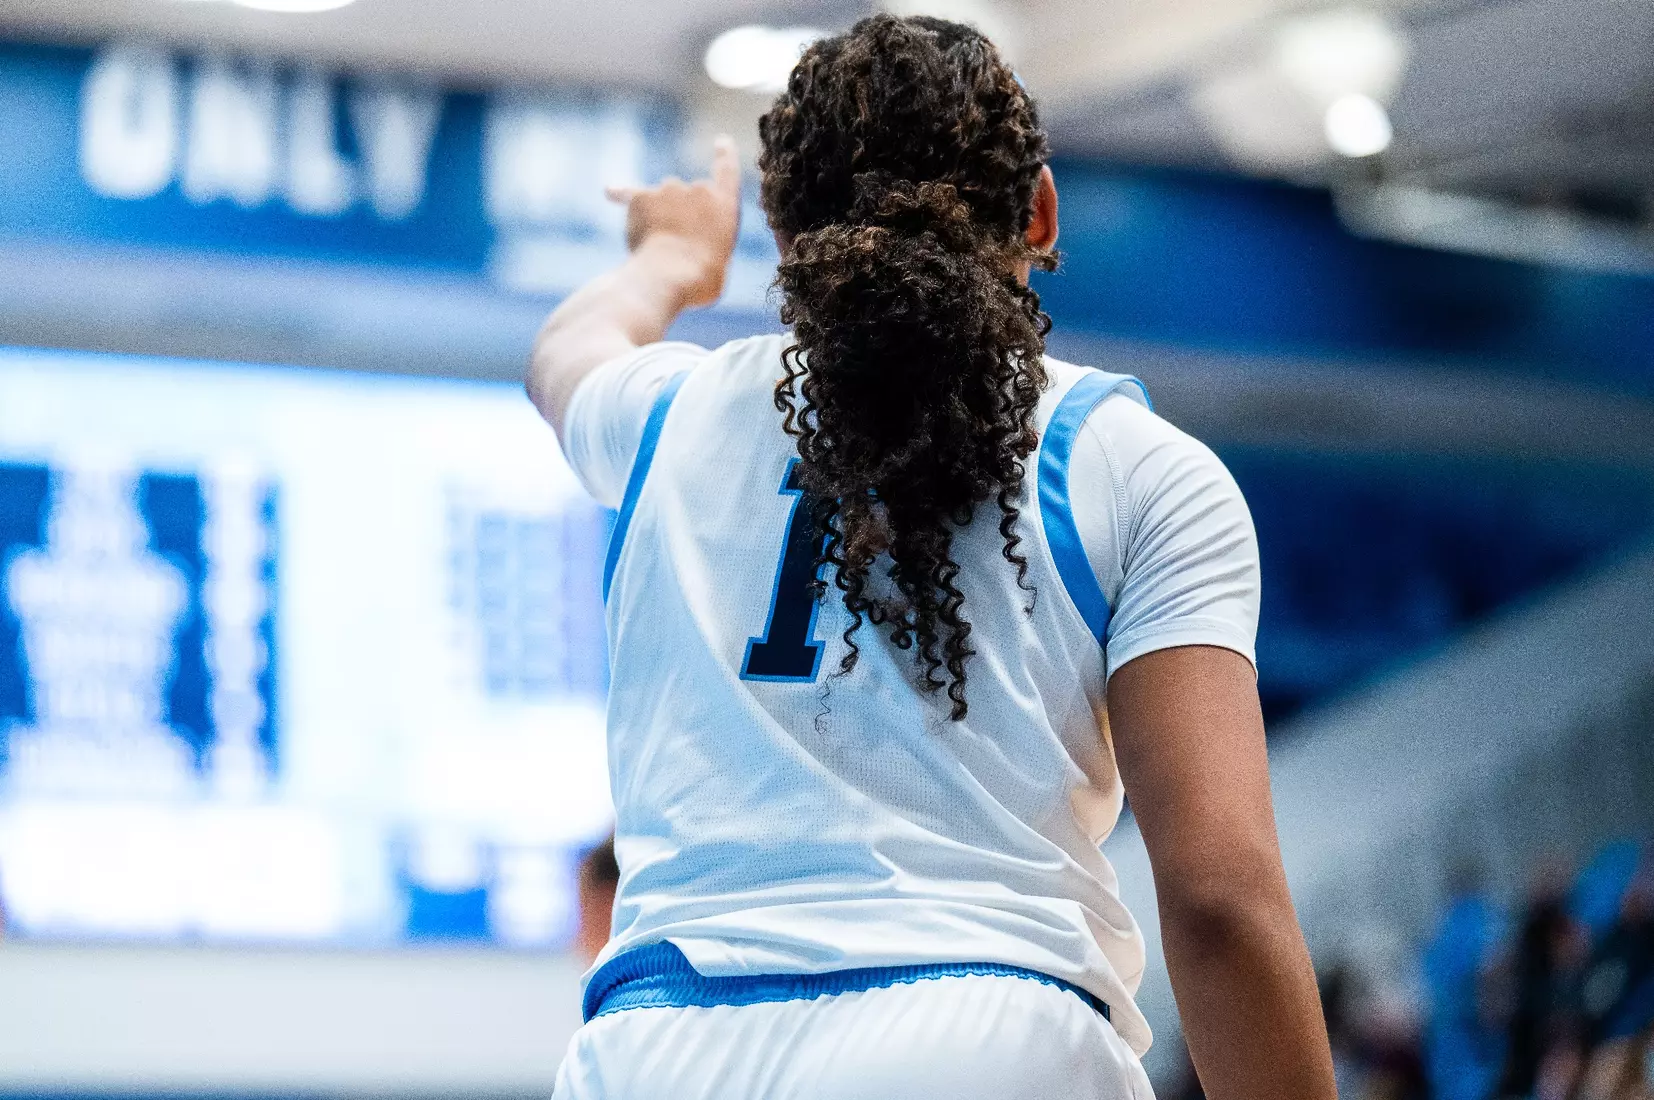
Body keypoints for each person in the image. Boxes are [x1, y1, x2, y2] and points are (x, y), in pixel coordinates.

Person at [527, 14, 1335, 1099]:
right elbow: (1219, 900)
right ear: (1040, 209)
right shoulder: (1137, 467)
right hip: (988, 1039)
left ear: (783, 227)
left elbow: (565, 351)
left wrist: (671, 260)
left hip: (652, 1047)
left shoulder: (667, 414)